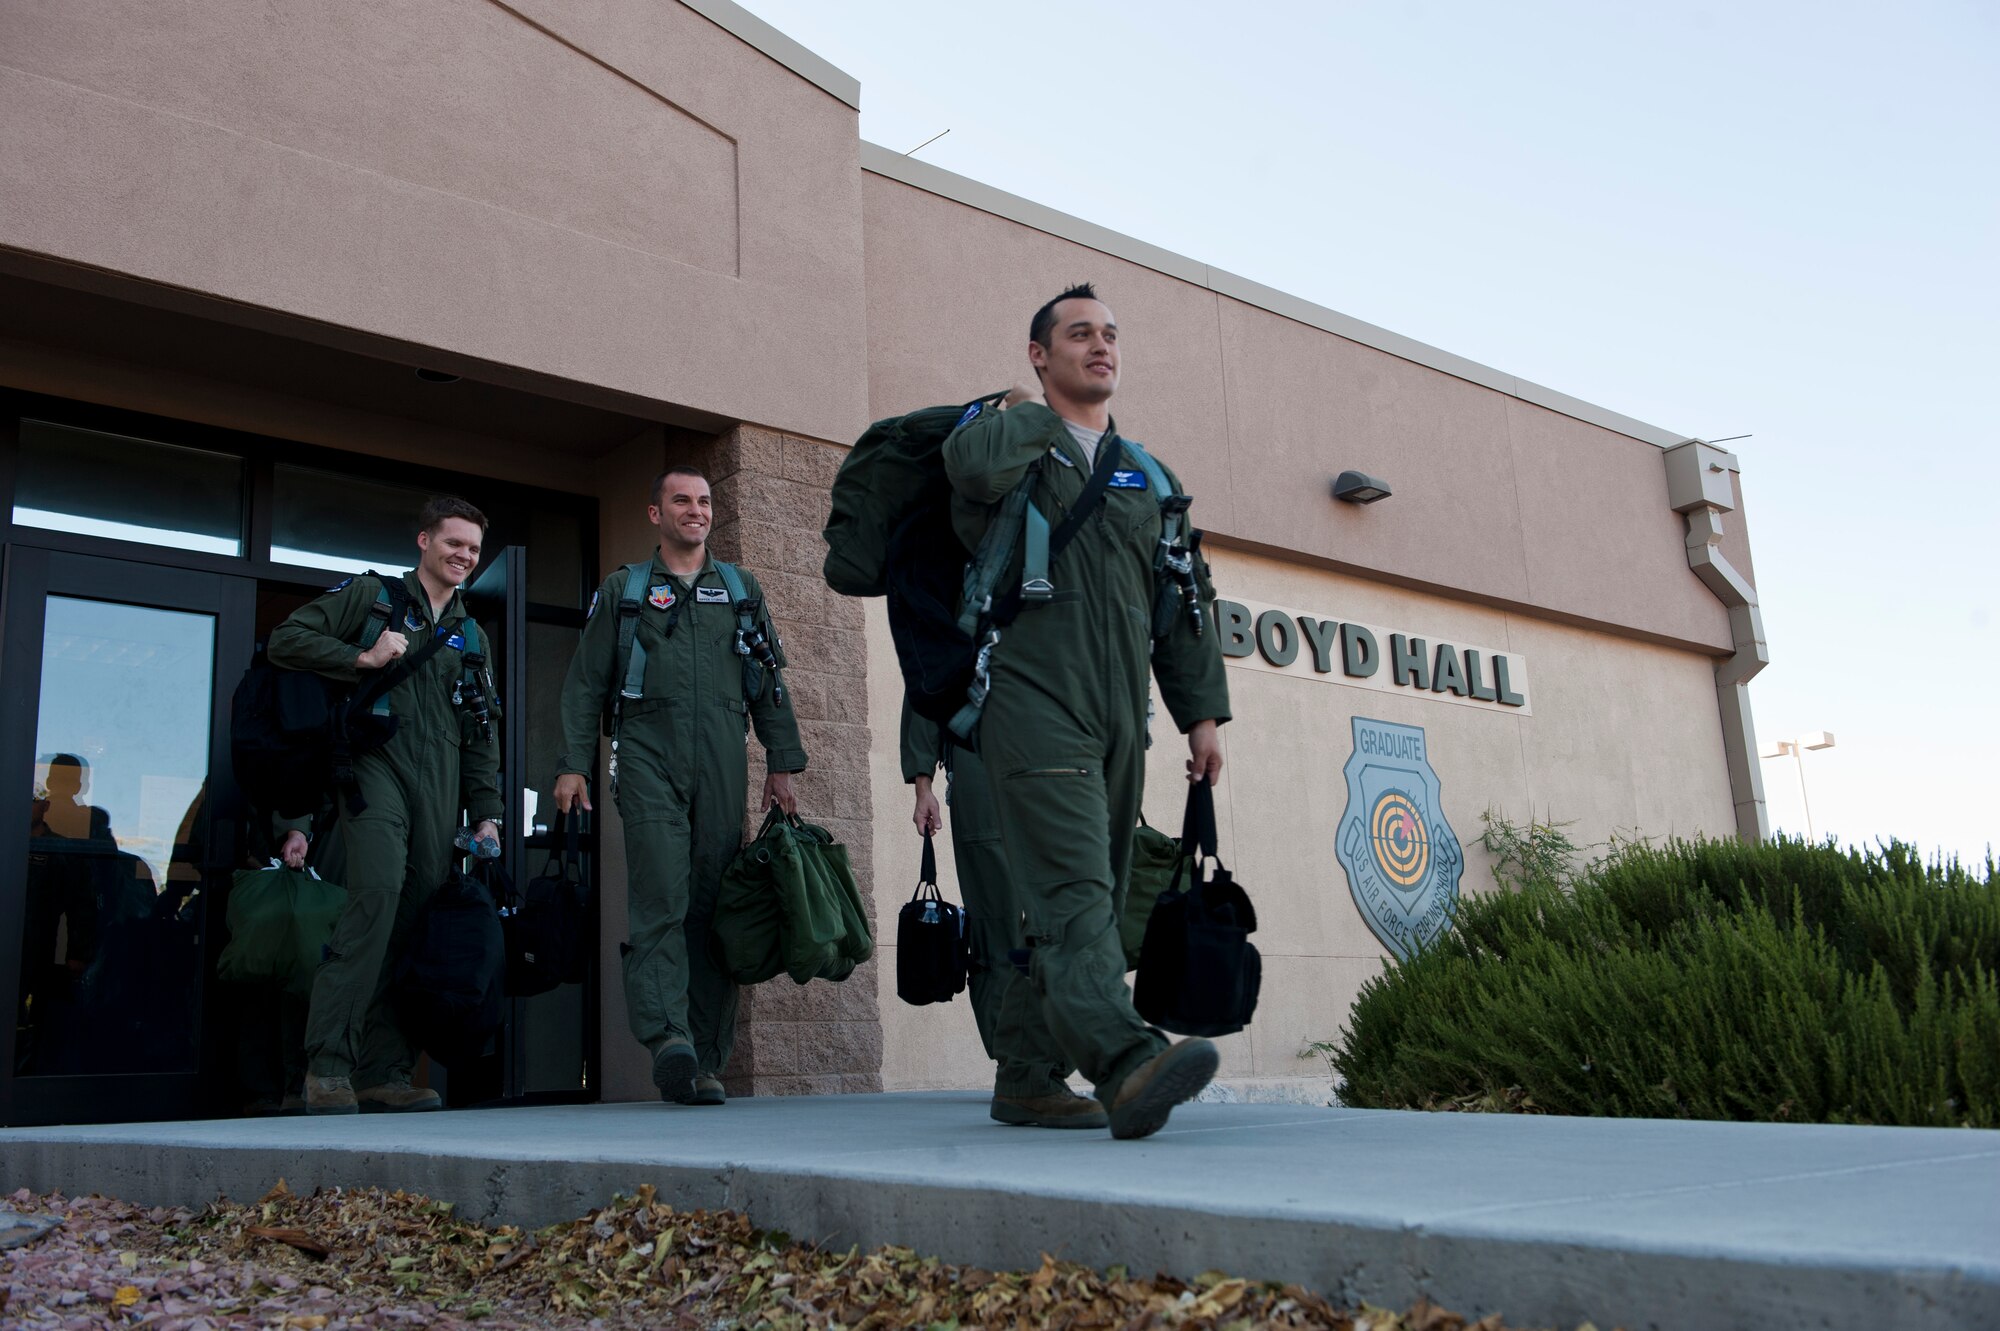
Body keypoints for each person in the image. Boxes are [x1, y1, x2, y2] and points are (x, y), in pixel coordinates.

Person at [942, 282, 1231, 1139]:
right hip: (1031, 704)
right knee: (1074, 893)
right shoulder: (1011, 447)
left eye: (1109, 334)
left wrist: (1201, 713)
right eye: (1078, 335)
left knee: (1086, 897)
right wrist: (1032, 413)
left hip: (1120, 718)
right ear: (1040, 354)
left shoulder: (1150, 475)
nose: (1100, 346)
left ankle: (1028, 1073)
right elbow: (966, 470)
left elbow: (1183, 597)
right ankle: (1125, 1058)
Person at [554, 466, 807, 1106]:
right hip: (645, 749)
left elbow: (769, 680)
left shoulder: (741, 589)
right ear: (655, 514)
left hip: (722, 751)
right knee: (661, 893)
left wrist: (781, 761)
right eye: (681, 501)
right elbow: (585, 684)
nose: (695, 511)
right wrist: (572, 763)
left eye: (703, 501)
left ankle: (704, 1058)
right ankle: (669, 1038)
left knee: (713, 901)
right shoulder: (626, 591)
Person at [267, 496, 502, 1114]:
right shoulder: (373, 599)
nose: (464, 556)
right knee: (375, 898)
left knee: (417, 917)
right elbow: (287, 639)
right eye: (454, 542)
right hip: (374, 774)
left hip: (441, 789)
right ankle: (327, 1068)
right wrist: (359, 658)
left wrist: (487, 812)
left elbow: (483, 733)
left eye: (474, 548)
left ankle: (384, 1070)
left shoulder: (472, 634)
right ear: (424, 541)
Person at [904, 703, 1105, 1128]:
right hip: (982, 770)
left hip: (1054, 769)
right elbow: (927, 686)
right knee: (999, 928)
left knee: (1062, 921)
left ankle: (1041, 1067)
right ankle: (1018, 1066)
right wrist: (924, 786)